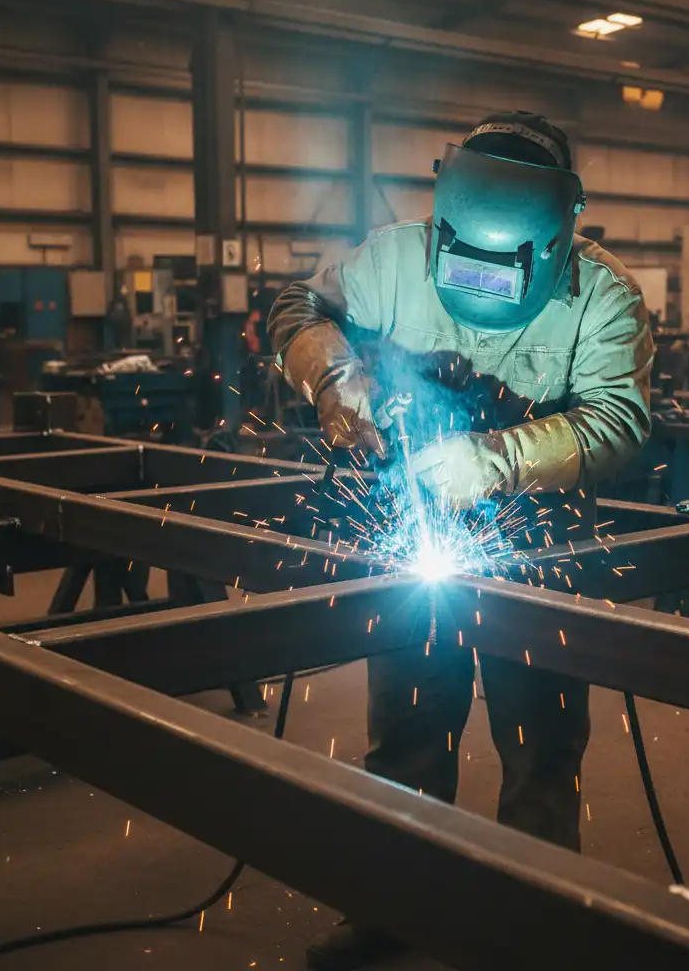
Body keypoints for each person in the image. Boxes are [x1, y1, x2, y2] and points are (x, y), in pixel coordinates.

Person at [269, 112, 654, 970]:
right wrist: (333, 374)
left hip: (537, 546)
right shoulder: (392, 258)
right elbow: (297, 305)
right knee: (404, 731)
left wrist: (501, 457)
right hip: (412, 529)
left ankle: (538, 922)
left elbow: (621, 423)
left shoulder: (606, 296)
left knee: (542, 746)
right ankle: (392, 908)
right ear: (441, 224)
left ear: (559, 239)